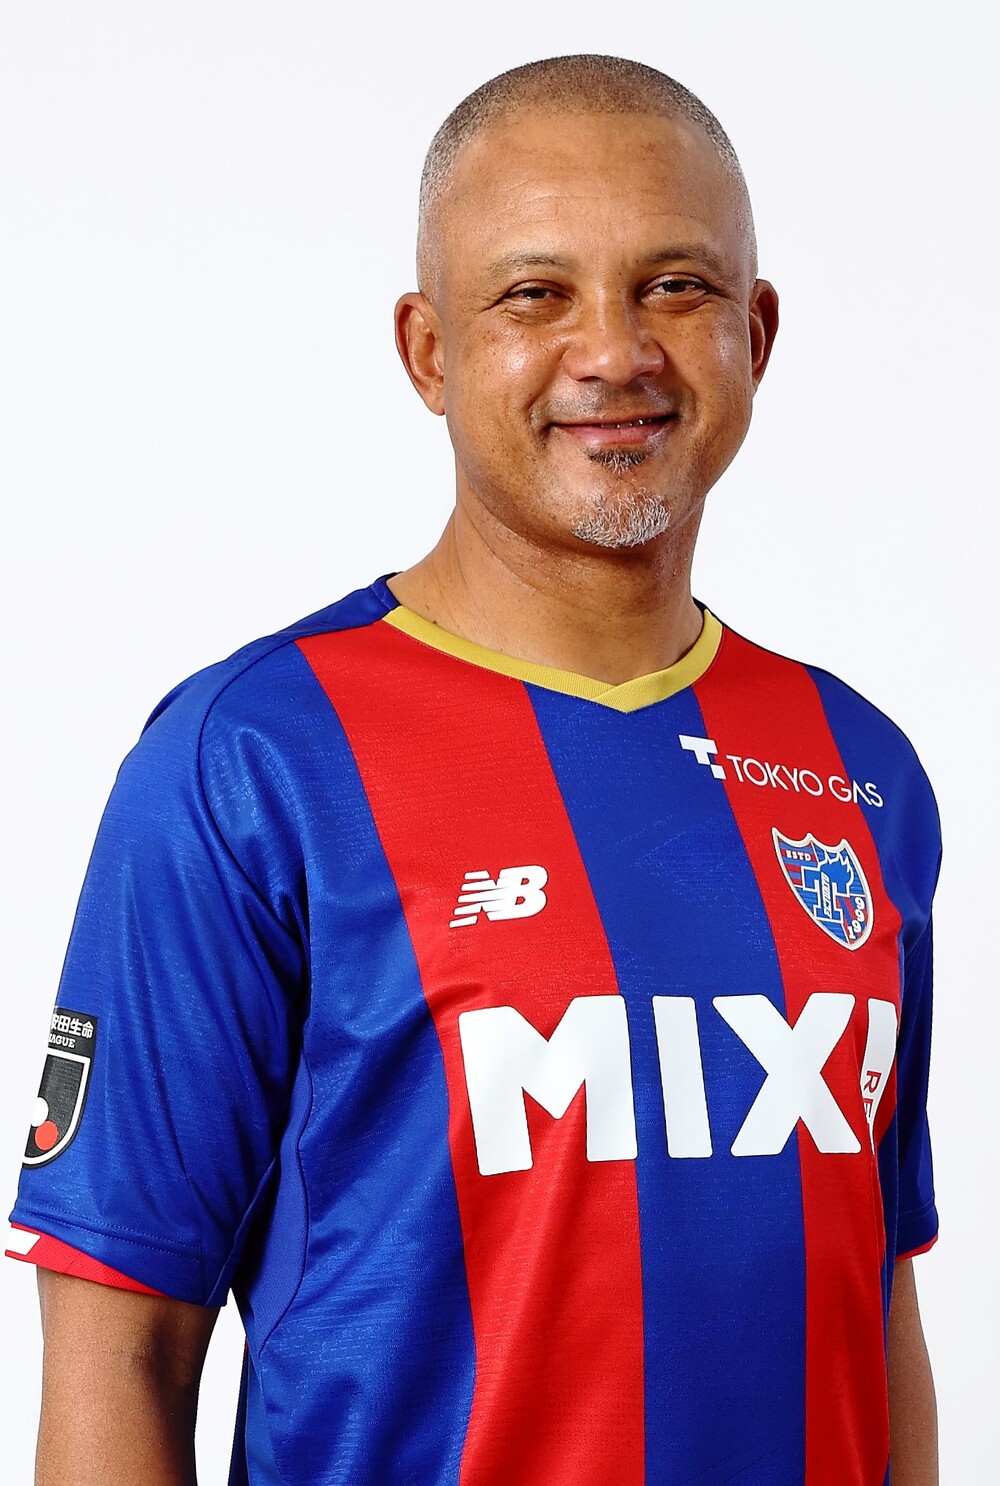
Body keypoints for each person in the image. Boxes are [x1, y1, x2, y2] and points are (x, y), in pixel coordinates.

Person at [8, 53, 940, 1486]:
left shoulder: (860, 769)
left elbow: (875, 1296)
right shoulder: (251, 761)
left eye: (675, 286)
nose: (614, 351)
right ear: (430, 350)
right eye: (535, 294)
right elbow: (118, 1347)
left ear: (755, 333)